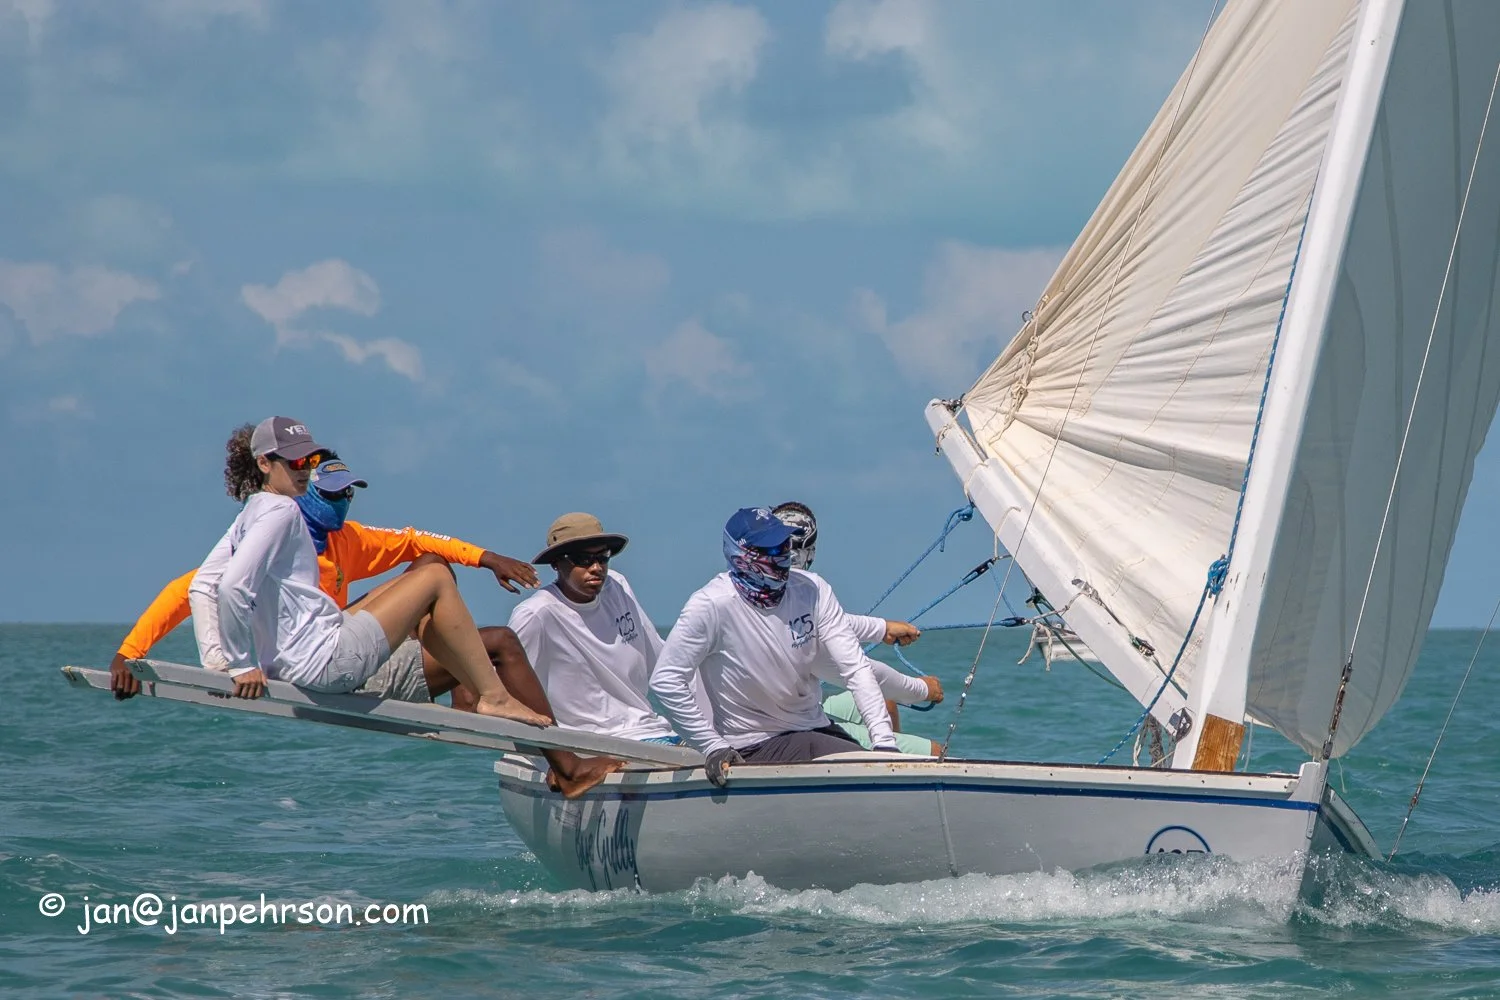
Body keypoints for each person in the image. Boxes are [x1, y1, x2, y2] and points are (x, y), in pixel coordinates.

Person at [650, 507, 901, 788]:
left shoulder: (813, 589)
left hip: (812, 728)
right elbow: (666, 681)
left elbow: (855, 668)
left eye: (784, 545)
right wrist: (711, 745)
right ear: (740, 554)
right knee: (861, 768)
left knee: (874, 758)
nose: (781, 555)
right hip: (753, 744)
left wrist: (885, 742)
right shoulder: (710, 605)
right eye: (769, 549)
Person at [773, 501, 943, 756]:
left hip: (789, 709)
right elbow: (856, 671)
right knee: (934, 752)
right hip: (789, 727)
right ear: (811, 552)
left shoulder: (760, 592)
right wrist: (921, 690)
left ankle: (887, 787)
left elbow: (834, 621)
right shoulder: (809, 593)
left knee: (886, 704)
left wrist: (882, 629)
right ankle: (889, 774)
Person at [508, 513, 685, 744]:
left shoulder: (617, 586)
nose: (596, 567)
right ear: (556, 563)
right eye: (582, 559)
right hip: (592, 743)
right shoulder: (536, 615)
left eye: (603, 557)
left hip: (652, 730)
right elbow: (506, 693)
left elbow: (661, 660)